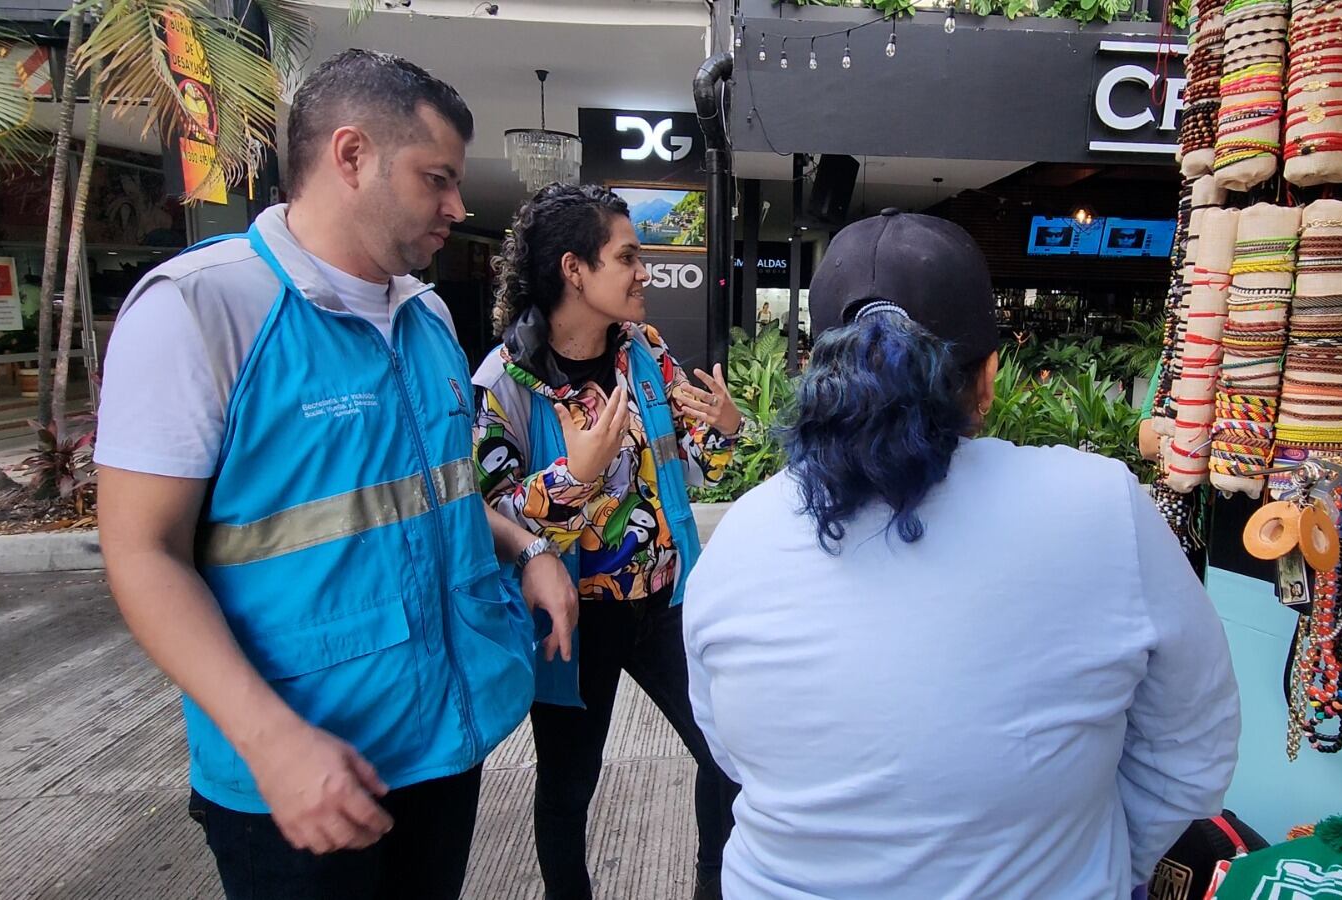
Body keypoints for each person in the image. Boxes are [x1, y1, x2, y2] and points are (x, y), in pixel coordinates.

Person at [95, 50, 576, 900]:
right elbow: (141, 554)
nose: (458, 208)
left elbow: (438, 497)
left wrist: (527, 546)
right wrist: (271, 741)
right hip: (301, 777)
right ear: (350, 156)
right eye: (437, 179)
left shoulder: (425, 316)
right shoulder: (200, 311)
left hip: (440, 746)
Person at [683, 210, 1242, 900]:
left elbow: (734, 751)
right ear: (989, 379)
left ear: (821, 375)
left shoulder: (740, 533)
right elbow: (1193, 746)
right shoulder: (1102, 506)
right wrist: (1093, 865)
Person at [472, 183, 741, 900]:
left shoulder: (645, 351)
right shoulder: (505, 383)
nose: (643, 272)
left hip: (664, 603)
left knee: (726, 754)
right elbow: (492, 519)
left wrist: (724, 428)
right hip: (571, 626)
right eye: (628, 256)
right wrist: (572, 478)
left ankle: (713, 886)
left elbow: (701, 462)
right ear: (574, 269)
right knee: (567, 790)